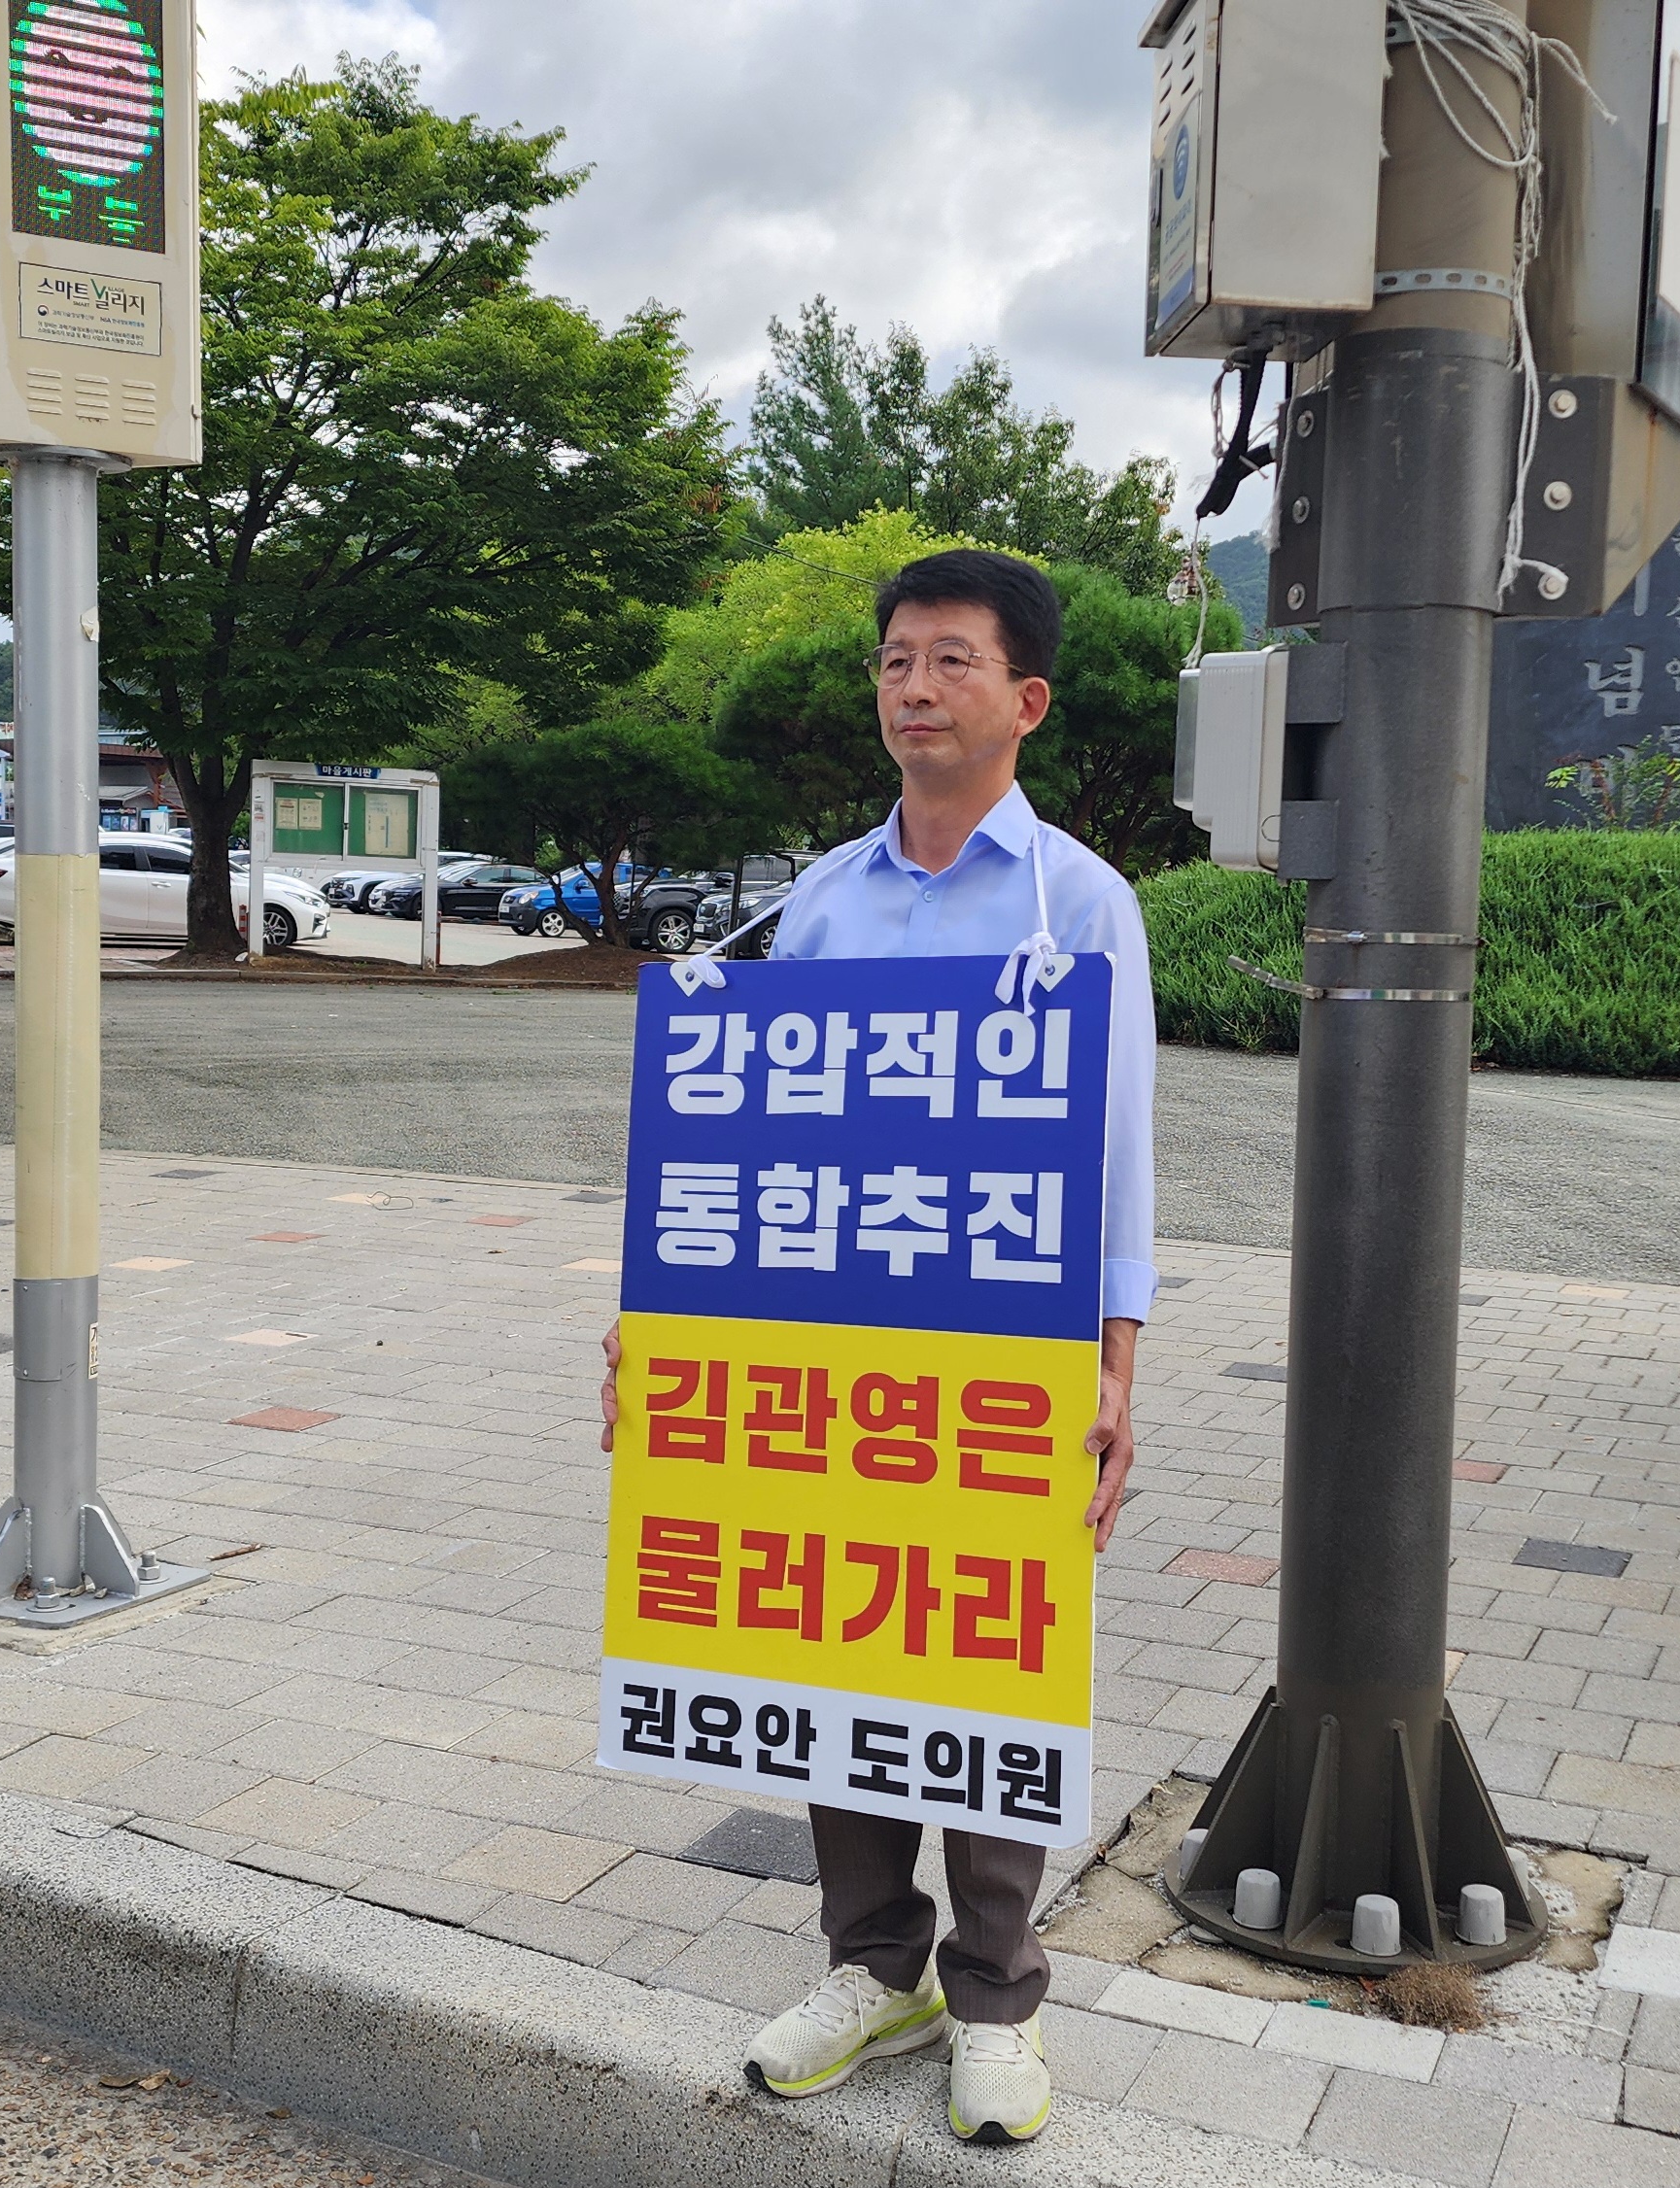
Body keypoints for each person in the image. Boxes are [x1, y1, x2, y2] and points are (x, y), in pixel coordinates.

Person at [600, 548, 1157, 2147]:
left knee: (986, 1653)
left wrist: (1118, 1370)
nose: (913, 688)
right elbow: (735, 1135)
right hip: (831, 1352)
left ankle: (993, 1991)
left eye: (950, 663)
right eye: (894, 662)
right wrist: (657, 1335)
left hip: (1005, 1356)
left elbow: (1117, 1155)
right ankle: (872, 1966)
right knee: (843, 1651)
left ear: (1024, 700)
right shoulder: (821, 901)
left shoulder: (1079, 905)